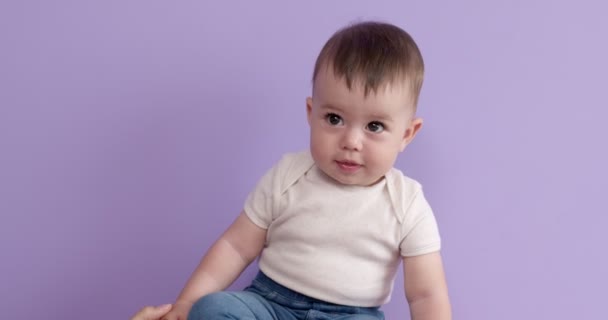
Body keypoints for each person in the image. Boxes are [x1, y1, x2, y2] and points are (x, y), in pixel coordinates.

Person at [161, 21, 451, 320]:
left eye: (374, 126)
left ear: (406, 134)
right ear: (312, 114)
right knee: (213, 309)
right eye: (335, 118)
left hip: (350, 315)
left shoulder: (406, 203)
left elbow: (426, 295)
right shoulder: (288, 175)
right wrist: (187, 302)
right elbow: (235, 247)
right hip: (271, 304)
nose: (351, 142)